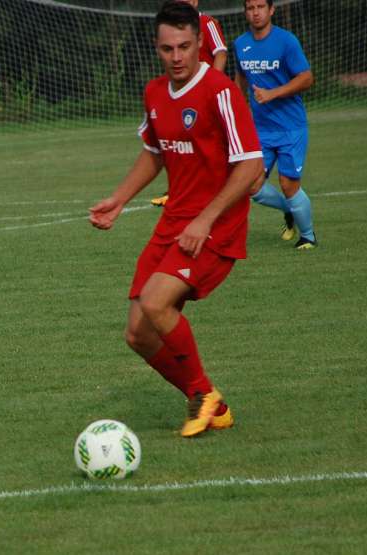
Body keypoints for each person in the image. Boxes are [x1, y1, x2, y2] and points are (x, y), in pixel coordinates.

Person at [89, 1, 263, 437]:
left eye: (185, 46)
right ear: (157, 48)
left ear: (199, 43)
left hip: (215, 226)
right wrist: (118, 199)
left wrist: (205, 220)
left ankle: (202, 395)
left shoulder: (221, 91)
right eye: (168, 48)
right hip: (173, 223)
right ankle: (212, 403)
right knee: (138, 334)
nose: (177, 56)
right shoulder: (154, 93)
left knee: (155, 302)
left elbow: (250, 166)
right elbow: (154, 153)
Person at [235, 0, 317, 249]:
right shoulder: (241, 44)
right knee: (251, 185)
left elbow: (306, 78)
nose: (255, 12)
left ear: (271, 10)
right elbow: (240, 78)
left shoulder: (286, 41)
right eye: (250, 8)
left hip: (291, 128)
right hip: (260, 129)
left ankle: (308, 236)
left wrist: (273, 93)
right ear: (246, 12)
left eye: (260, 6)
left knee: (288, 184)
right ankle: (289, 210)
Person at [150, 0, 228, 208]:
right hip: (184, 96)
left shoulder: (206, 22)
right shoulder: (173, 28)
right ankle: (176, 190)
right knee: (178, 141)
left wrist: (212, 84)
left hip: (204, 97)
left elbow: (220, 52)